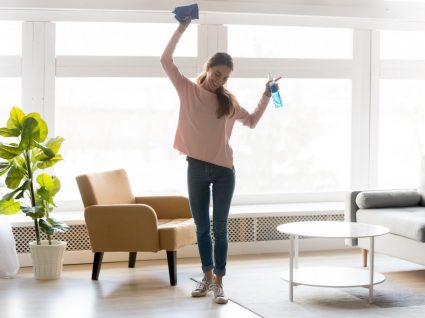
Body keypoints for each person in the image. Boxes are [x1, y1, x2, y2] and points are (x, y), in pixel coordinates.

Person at [161, 19, 276, 304]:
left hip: (225, 171)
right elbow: (165, 60)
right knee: (202, 228)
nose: (220, 80)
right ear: (208, 67)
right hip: (195, 169)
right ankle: (207, 276)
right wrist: (182, 27)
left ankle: (220, 283)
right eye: (217, 74)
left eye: (225, 77)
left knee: (220, 228)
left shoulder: (228, 102)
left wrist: (265, 94)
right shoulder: (188, 90)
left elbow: (250, 122)